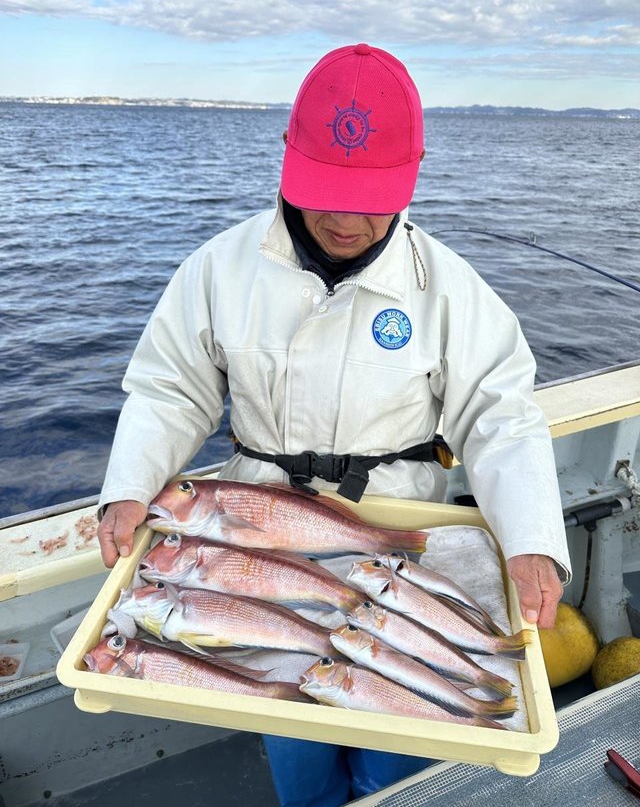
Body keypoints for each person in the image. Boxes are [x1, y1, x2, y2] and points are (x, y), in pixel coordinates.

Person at [97, 43, 571, 806]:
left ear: (409, 180)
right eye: (325, 191)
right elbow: (167, 387)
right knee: (291, 727)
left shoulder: (448, 288)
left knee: (400, 744)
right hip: (256, 540)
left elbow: (501, 415)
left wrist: (533, 539)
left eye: (369, 196)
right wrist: (126, 486)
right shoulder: (219, 268)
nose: (345, 219)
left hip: (396, 534)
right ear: (287, 161)